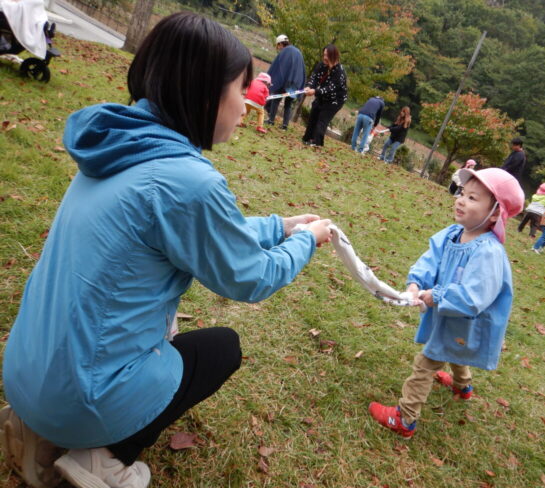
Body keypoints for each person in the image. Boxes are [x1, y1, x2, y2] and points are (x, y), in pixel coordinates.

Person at [0, 13, 333, 488]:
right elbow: (252, 276)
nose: (247, 105)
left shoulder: (121, 144)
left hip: (26, 371)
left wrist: (280, 226)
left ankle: (37, 429)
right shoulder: (186, 181)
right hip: (79, 398)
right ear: (204, 93)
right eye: (241, 89)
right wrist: (306, 240)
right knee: (220, 349)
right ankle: (103, 456)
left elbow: (208, 231)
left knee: (160, 328)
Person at [368, 168, 524, 438]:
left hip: (466, 321)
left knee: (427, 363)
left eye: (473, 198)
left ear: (495, 213)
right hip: (448, 318)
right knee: (454, 348)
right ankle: (463, 386)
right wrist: (415, 284)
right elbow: (430, 260)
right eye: (462, 193)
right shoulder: (452, 233)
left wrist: (437, 296)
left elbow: (474, 297)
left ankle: (405, 419)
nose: (461, 200)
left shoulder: (488, 252)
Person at [302, 44, 348, 147]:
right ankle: (307, 138)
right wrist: (309, 86)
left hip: (335, 100)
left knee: (322, 119)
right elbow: (314, 78)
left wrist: (315, 91)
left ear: (334, 56)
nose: (325, 58)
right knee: (313, 114)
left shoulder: (339, 72)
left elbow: (330, 88)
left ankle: (316, 142)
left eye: (327, 55)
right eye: (324, 55)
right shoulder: (322, 65)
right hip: (321, 96)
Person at [264, 34, 306, 130]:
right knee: (288, 104)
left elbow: (278, 68)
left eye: (278, 46)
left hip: (285, 81)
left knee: (276, 99)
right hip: (295, 83)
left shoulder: (285, 51)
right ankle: (285, 125)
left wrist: (272, 80)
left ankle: (271, 120)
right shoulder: (298, 52)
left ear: (280, 44)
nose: (278, 48)